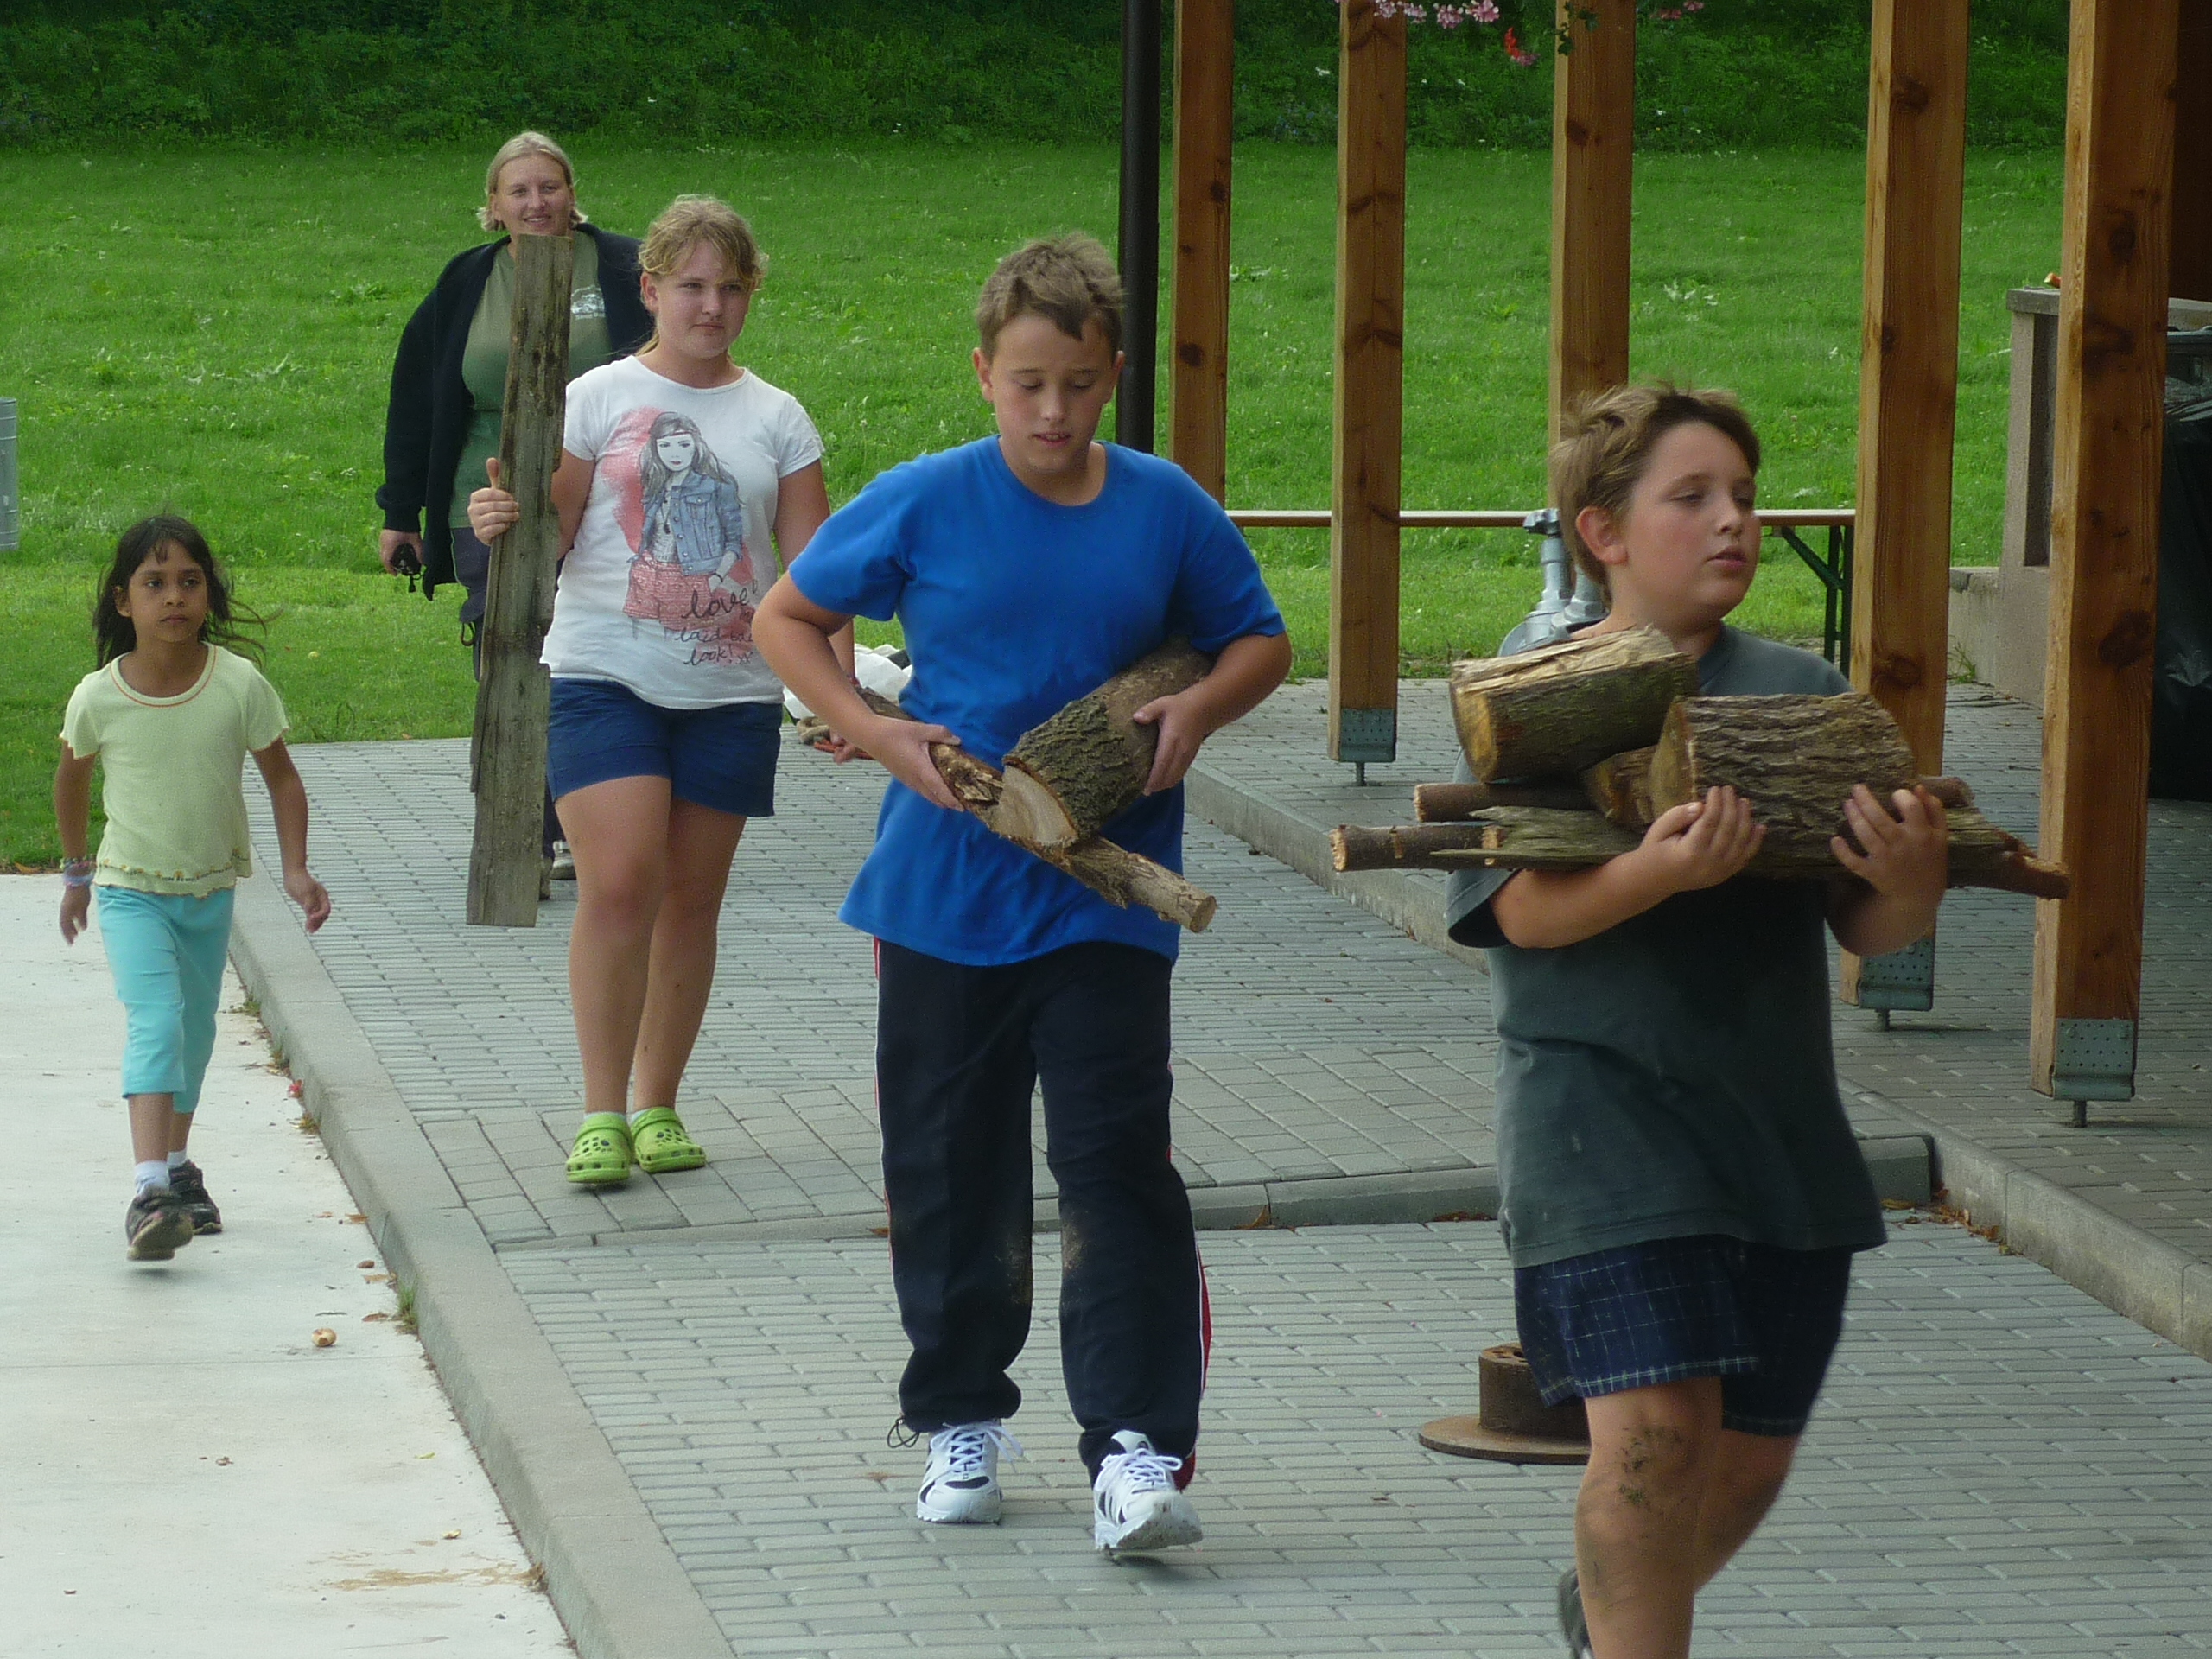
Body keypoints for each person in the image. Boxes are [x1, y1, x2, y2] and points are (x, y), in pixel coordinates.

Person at [753, 233, 1292, 1554]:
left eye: (1081, 384)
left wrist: (1200, 710)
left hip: (1108, 900)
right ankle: (959, 1421)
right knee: (949, 1167)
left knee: (1115, 1166)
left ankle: (1136, 1451)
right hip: (939, 898)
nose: (1055, 411)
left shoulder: (1165, 506)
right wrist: (875, 730)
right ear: (984, 373)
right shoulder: (927, 499)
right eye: (1029, 383)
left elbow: (1262, 640)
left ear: (1115, 374)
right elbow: (784, 618)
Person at [1441, 385, 1949, 1658]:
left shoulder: (1802, 691)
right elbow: (1514, 915)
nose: (1734, 521)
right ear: (1602, 532)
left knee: (1747, 1466)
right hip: (1599, 1137)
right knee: (1656, 1449)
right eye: (1693, 497)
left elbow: (1867, 929)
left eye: (1744, 497)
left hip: (1779, 1146)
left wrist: (1912, 883)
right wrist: (1655, 874)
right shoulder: (1534, 692)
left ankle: (1603, 1613)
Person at [465, 194, 843, 1187]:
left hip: (731, 691)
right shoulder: (597, 397)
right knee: (623, 881)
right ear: (652, 290)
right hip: (605, 673)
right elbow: (549, 517)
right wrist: (500, 510)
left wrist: (840, 697)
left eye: (730, 288)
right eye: (692, 286)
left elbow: (818, 572)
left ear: (750, 295)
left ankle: (657, 1103)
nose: (711, 306)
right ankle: (600, 1113)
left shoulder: (778, 419)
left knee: (690, 902)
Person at [54, 515, 333, 1262]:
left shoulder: (237, 685)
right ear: (124, 601)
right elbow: (70, 783)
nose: (173, 597)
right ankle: (149, 1191)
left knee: (197, 1034)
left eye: (189, 582)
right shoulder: (98, 697)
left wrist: (296, 868)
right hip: (130, 889)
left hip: (209, 891)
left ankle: (178, 1169)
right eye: (154, 583)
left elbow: (283, 779)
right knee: (158, 1023)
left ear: (209, 594)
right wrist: (78, 874)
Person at [375, 130, 652, 879]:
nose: (536, 203)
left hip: (611, 498)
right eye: (519, 191)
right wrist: (401, 513)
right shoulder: (467, 280)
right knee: (511, 655)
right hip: (488, 499)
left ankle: (594, 825)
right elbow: (417, 398)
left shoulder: (626, 268)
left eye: (549, 187)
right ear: (493, 206)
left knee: (594, 660)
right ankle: (527, 832)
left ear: (572, 195)